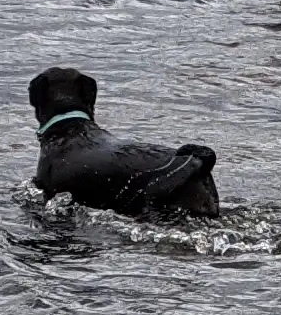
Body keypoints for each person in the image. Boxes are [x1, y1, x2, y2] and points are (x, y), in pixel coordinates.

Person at [23, 66, 219, 220]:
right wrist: (191, 164)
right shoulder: (98, 144)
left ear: (38, 104)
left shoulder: (52, 160)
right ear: (89, 101)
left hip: (163, 186)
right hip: (192, 172)